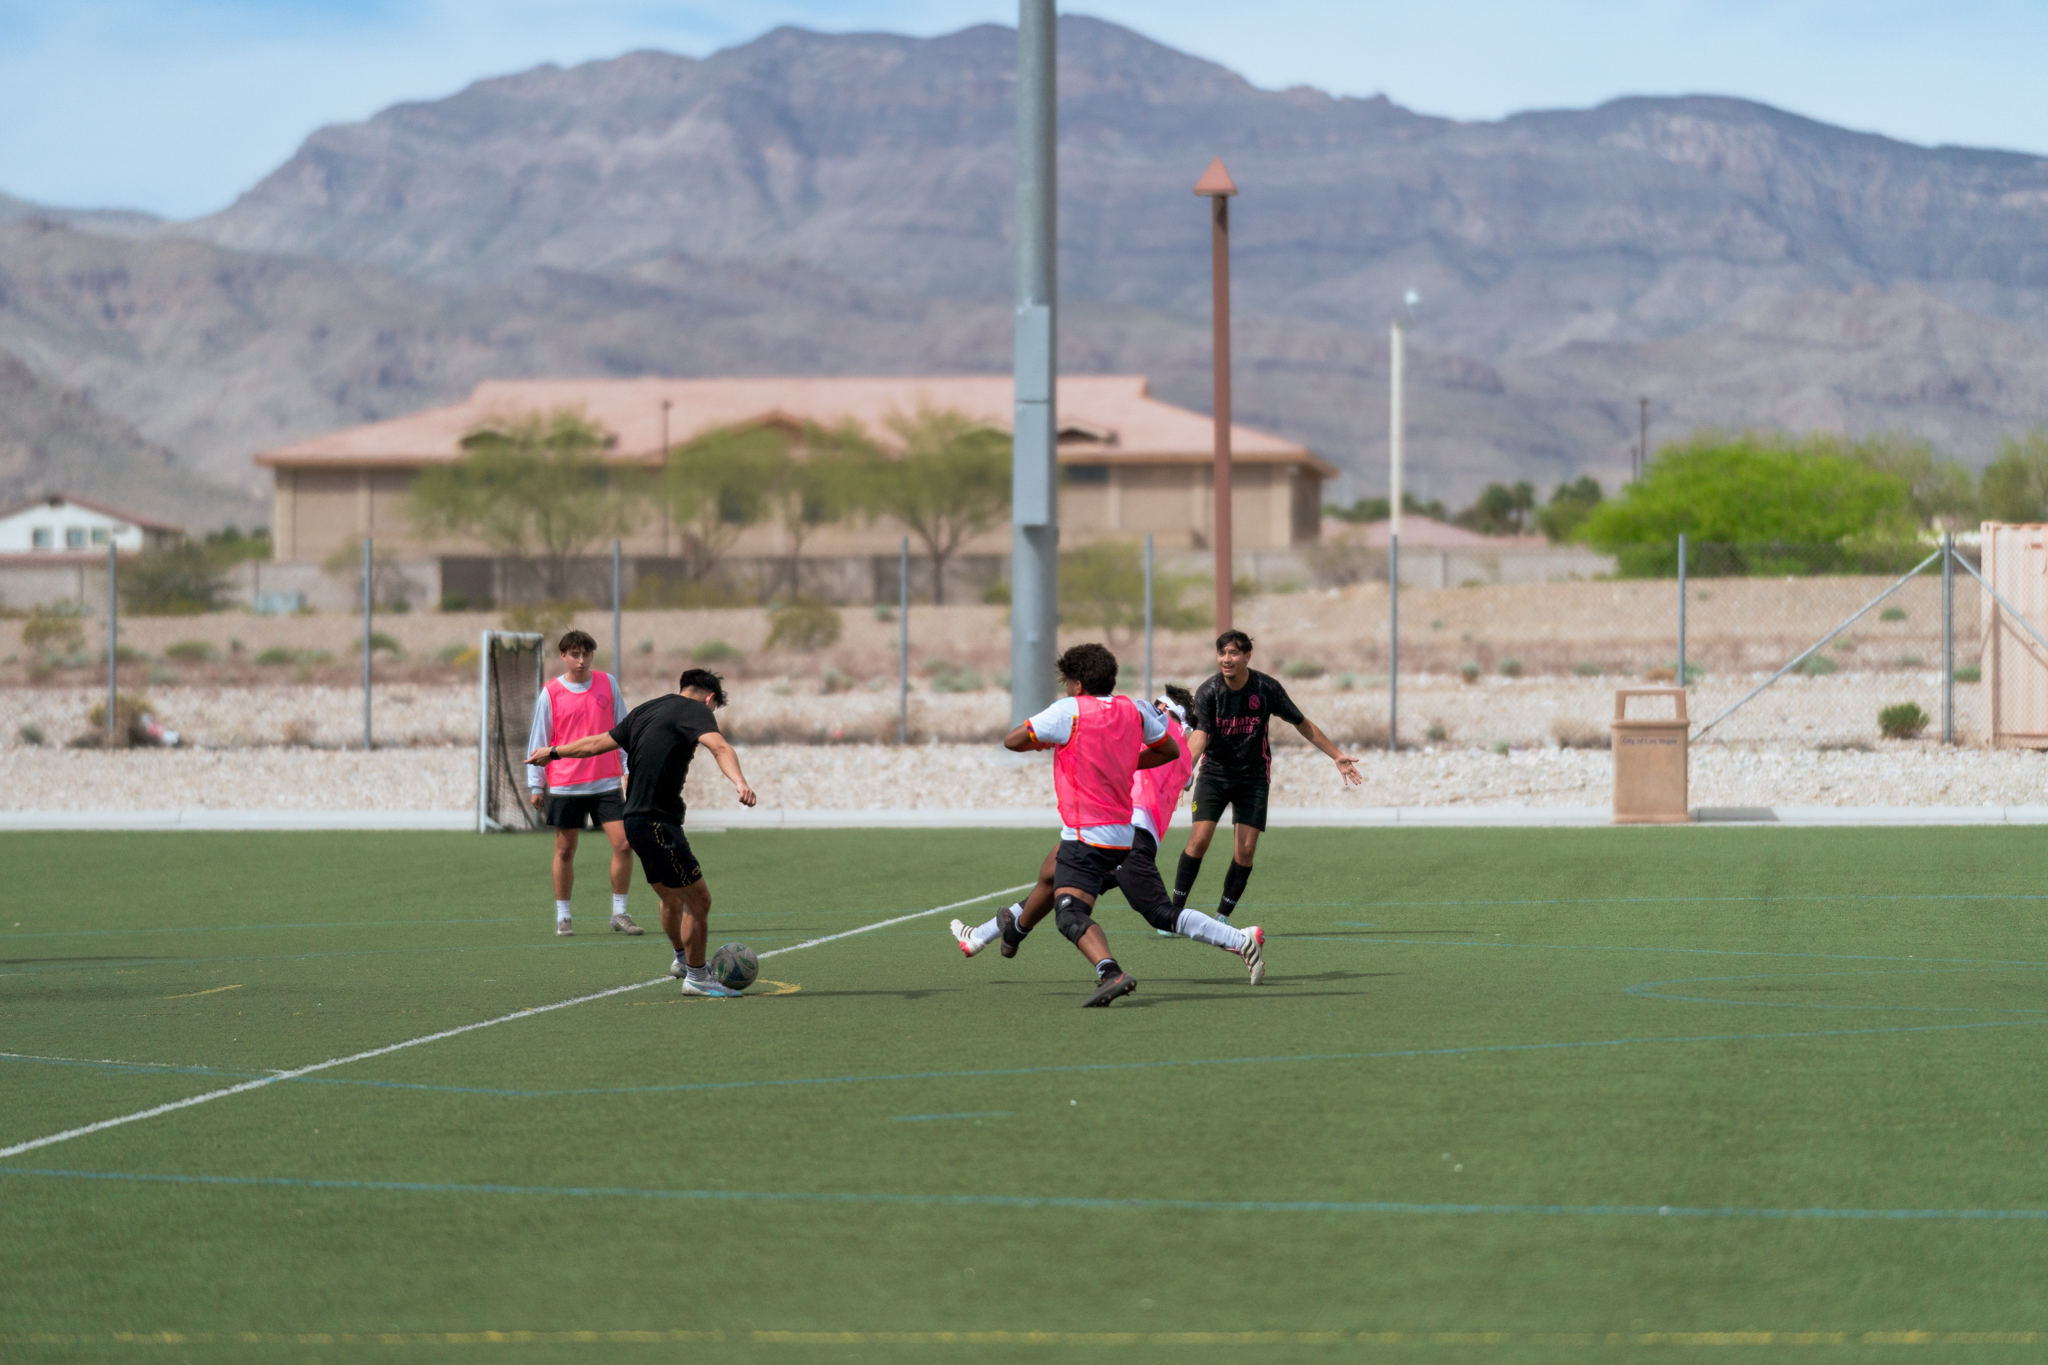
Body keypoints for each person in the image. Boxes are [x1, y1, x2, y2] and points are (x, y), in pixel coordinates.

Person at [952, 684, 1264, 983]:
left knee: (1158, 912)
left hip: (1124, 830)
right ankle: (984, 936)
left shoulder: (1146, 721)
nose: (1153, 707)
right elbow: (1179, 779)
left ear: (1164, 709)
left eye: (1159, 705)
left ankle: (1238, 938)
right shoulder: (1182, 756)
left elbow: (1113, 726)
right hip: (1123, 831)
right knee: (1053, 875)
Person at [527, 667, 758, 998]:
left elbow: (595, 744)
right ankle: (697, 976)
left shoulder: (646, 710)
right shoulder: (695, 710)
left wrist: (553, 752)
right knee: (699, 899)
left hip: (633, 821)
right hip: (658, 823)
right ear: (709, 699)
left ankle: (682, 960)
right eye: (713, 709)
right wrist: (739, 782)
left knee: (670, 896)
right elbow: (720, 747)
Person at [989, 643, 1180, 1007]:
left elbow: (1013, 740)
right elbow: (1168, 750)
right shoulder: (1135, 709)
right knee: (1050, 871)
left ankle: (1111, 973)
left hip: (1088, 834)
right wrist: (1126, 763)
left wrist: (1040, 742)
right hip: (1123, 834)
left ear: (1076, 684)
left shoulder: (1068, 712)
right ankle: (1014, 931)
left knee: (1070, 914)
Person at [1172, 629, 1362, 921]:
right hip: (1215, 775)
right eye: (1222, 653)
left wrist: (1336, 755)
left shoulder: (1266, 688)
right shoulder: (1208, 691)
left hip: (1253, 778)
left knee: (1245, 852)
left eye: (1233, 653)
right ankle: (1174, 911)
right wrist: (1182, 771)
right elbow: (1199, 737)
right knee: (1199, 841)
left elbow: (1302, 723)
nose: (1226, 659)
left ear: (1247, 656)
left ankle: (1222, 917)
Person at [527, 629, 640, 938]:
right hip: (566, 784)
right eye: (574, 655)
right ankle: (564, 917)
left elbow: (623, 729)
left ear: (592, 655)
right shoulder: (550, 692)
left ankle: (620, 912)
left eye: (586, 654)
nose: (580, 660)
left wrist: (629, 768)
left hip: (606, 782)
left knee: (625, 843)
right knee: (565, 848)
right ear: (563, 656)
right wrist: (536, 785)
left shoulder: (608, 683)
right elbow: (540, 739)